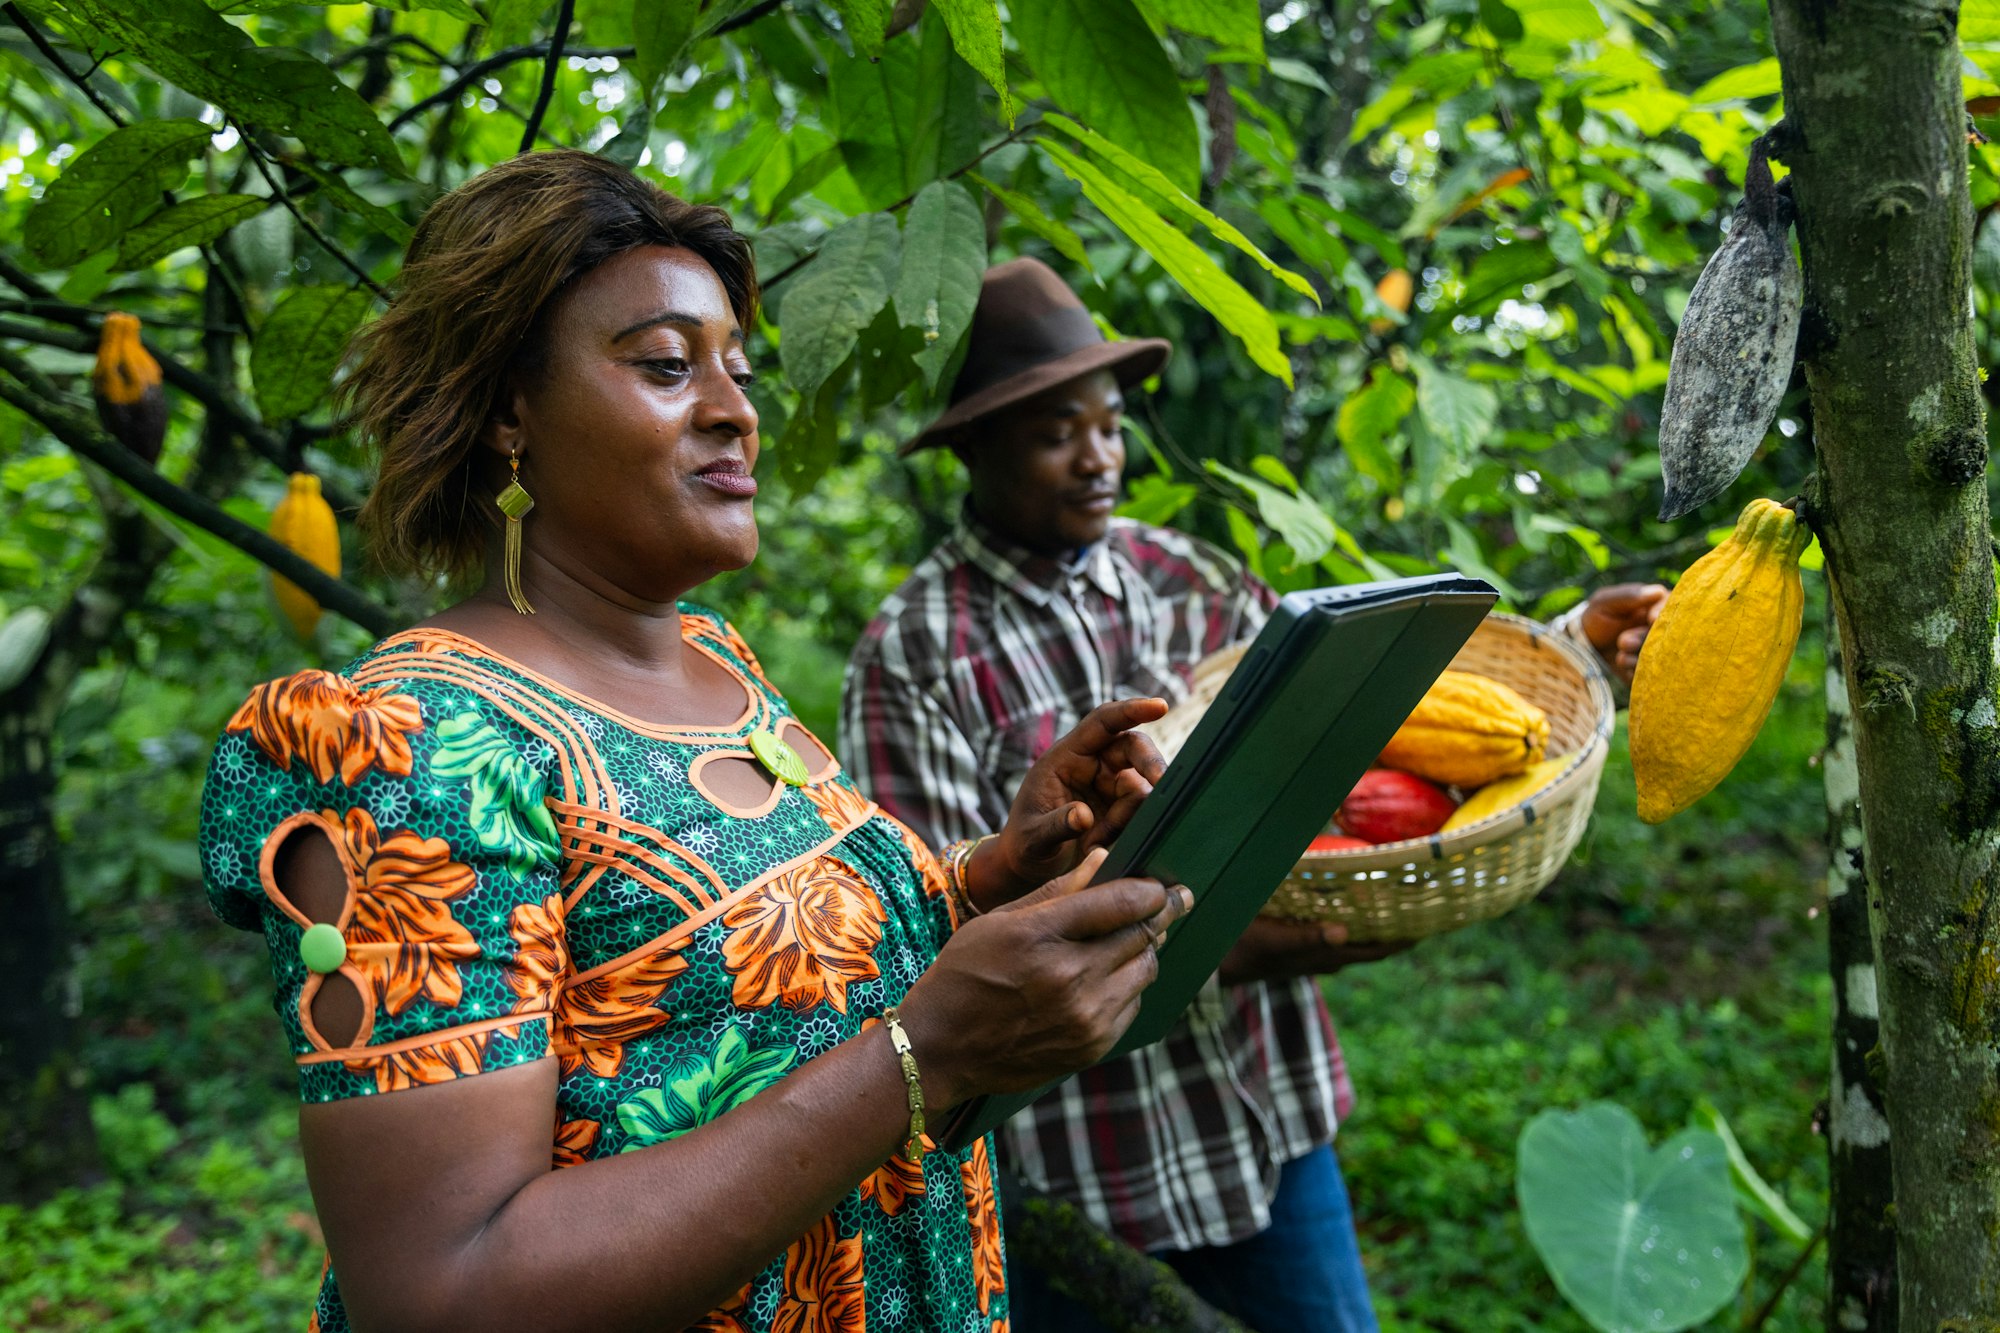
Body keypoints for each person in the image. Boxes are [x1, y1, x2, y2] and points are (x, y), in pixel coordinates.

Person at [196, 152, 1198, 1333]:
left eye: (736, 365)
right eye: (668, 367)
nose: (736, 410)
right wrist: (925, 1050)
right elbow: (442, 1287)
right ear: (508, 410)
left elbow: (746, 986)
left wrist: (989, 877)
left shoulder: (720, 665)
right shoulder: (409, 750)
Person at [839, 257, 1666, 1331]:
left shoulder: (1196, 581)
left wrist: (1573, 654)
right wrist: (1223, 937)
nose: (1097, 457)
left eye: (1105, 424)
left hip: (1265, 1127)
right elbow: (936, 927)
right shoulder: (914, 654)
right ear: (975, 449)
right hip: (1083, 1162)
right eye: (1054, 435)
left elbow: (1369, 743)